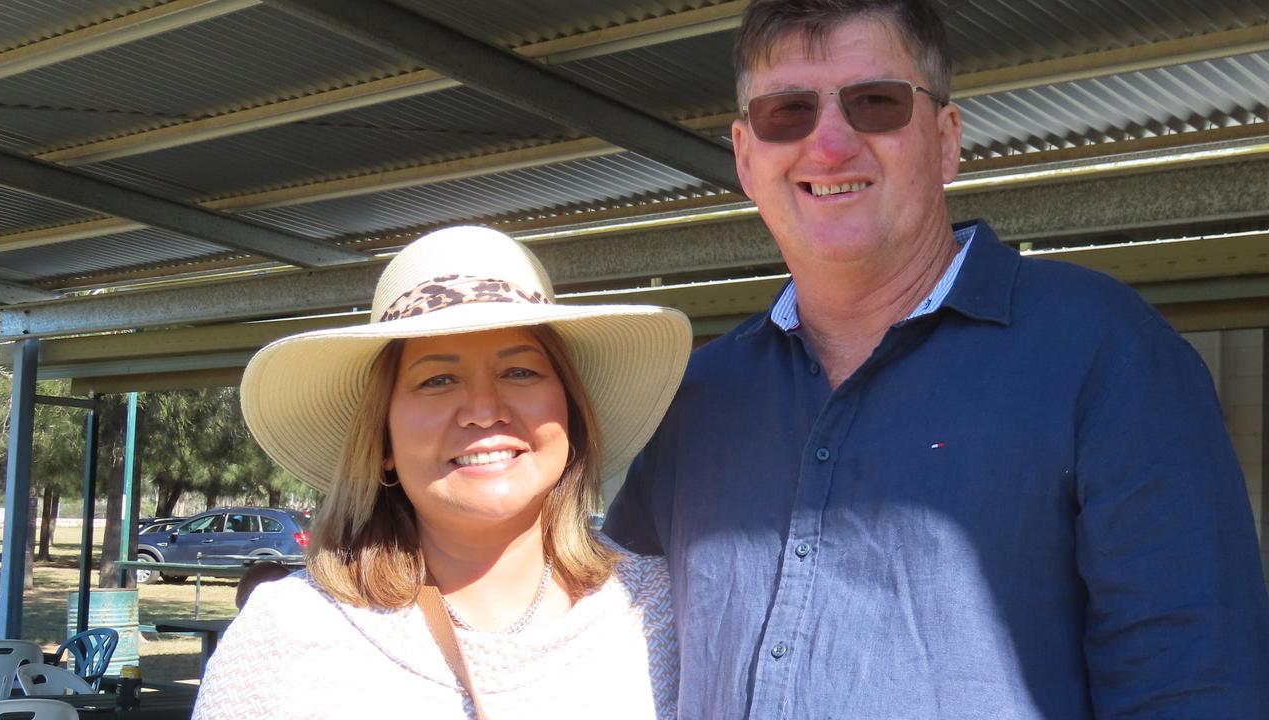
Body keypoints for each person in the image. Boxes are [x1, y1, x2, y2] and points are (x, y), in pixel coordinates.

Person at [604, 1, 1269, 718]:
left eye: (875, 103)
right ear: (744, 155)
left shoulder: (1102, 351)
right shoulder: (699, 399)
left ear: (947, 139)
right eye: (787, 111)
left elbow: (1194, 684)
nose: (829, 144)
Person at [194, 226, 691, 719]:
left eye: (520, 371)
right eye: (438, 379)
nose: (483, 410)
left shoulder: (663, 609)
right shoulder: (288, 630)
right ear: (383, 440)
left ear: (570, 417)